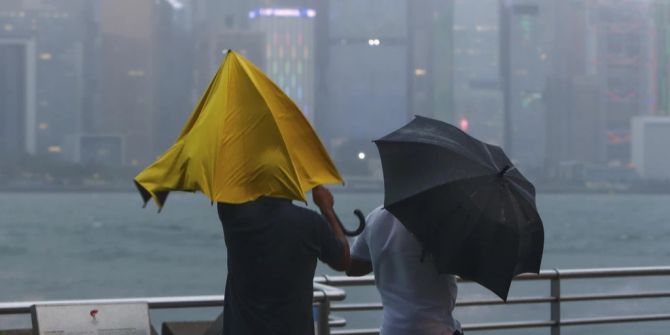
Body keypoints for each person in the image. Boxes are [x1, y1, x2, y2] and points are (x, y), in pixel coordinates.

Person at [217, 185, 350, 335]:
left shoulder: (233, 214)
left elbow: (230, 192)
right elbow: (343, 260)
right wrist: (327, 209)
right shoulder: (311, 223)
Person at [347, 206, 462, 335]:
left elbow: (352, 267)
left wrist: (384, 255)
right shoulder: (437, 220)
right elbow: (465, 265)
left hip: (391, 330)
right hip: (439, 329)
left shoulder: (374, 219)